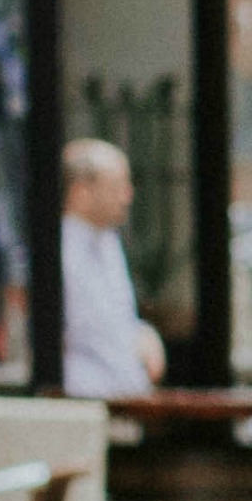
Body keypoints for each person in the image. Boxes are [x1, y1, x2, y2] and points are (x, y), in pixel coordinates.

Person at [56, 139, 163, 399]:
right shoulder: (58, 249)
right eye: (116, 186)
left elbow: (114, 319)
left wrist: (144, 334)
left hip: (127, 398)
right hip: (85, 402)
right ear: (81, 192)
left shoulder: (108, 242)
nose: (128, 196)